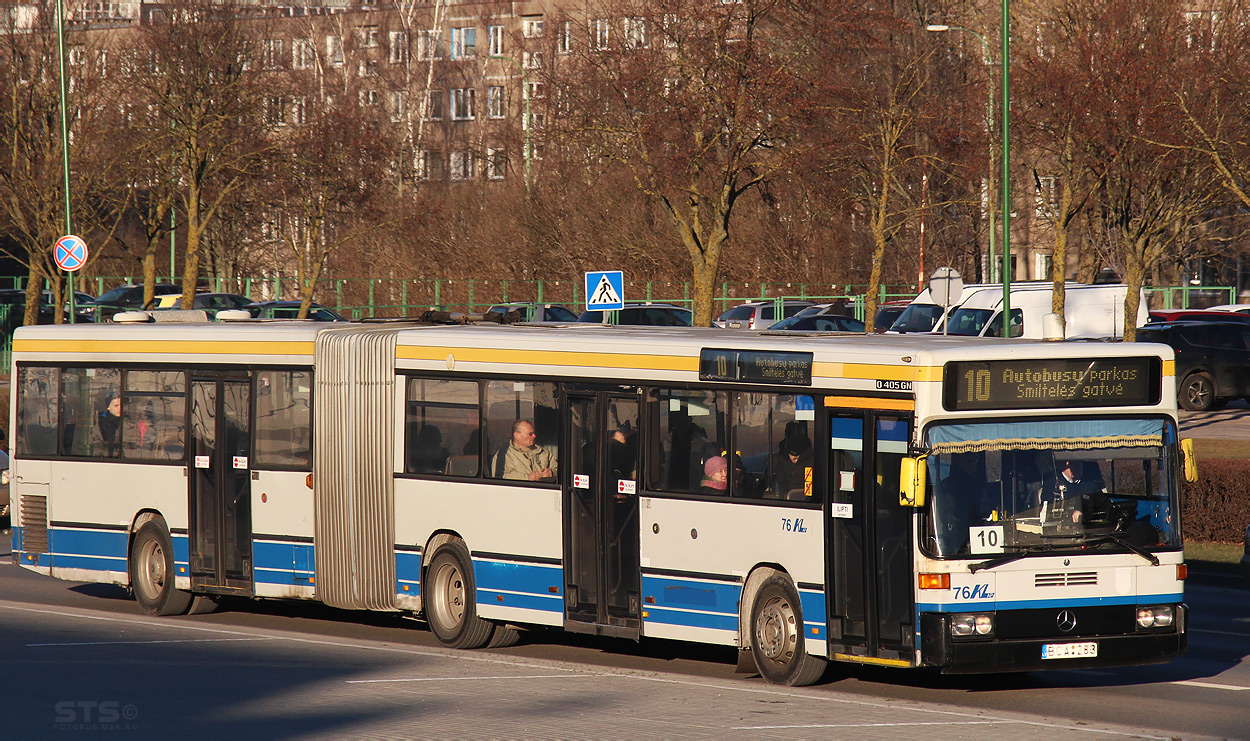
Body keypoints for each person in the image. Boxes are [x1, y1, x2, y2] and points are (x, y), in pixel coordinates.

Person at [770, 434, 813, 499]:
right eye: (793, 458)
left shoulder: (811, 462)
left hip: (803, 500)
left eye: (798, 458)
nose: (795, 461)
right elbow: (769, 480)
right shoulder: (778, 460)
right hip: (781, 500)